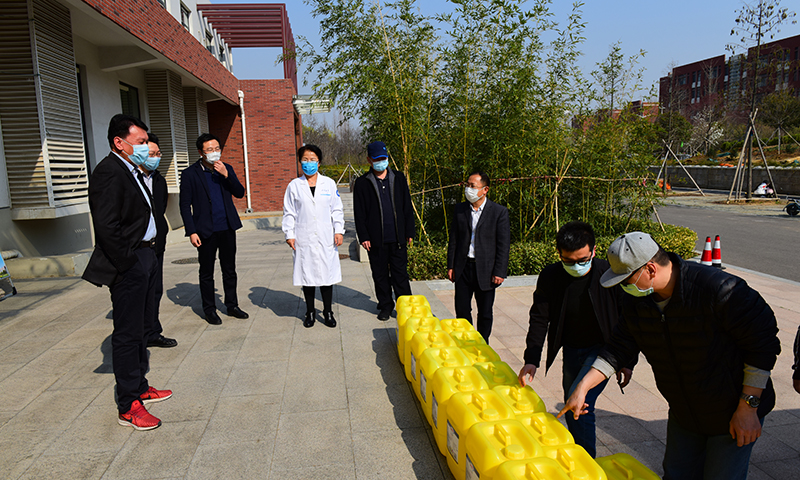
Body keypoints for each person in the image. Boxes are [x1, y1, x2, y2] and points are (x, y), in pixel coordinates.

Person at [559, 231, 781, 480]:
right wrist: (582, 387)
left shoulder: (720, 290)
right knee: (676, 474)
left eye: (626, 280)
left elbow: (762, 345)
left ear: (650, 269)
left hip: (731, 410)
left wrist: (748, 408)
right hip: (684, 411)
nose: (624, 287)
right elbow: (618, 347)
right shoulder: (637, 302)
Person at [82, 114, 172, 430]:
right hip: (130, 262)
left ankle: (140, 386)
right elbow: (107, 226)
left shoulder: (132, 170)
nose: (146, 146)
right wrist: (129, 264)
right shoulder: (109, 172)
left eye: (146, 141)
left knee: (142, 328)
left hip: (147, 255)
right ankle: (128, 404)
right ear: (119, 143)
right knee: (127, 333)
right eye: (140, 142)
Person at [517, 221, 632, 458]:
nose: (576, 266)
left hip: (603, 349)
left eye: (582, 260)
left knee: (580, 401)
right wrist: (531, 359)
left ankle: (586, 461)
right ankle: (579, 456)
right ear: (559, 254)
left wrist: (627, 360)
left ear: (594, 251)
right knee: (571, 403)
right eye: (568, 261)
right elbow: (539, 317)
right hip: (571, 348)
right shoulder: (551, 276)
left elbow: (628, 320)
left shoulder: (608, 275)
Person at [179, 133, 248, 325]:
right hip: (204, 230)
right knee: (206, 271)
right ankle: (209, 309)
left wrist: (226, 175)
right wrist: (191, 231)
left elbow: (239, 192)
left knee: (229, 269)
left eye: (217, 148)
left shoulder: (226, 168)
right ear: (201, 152)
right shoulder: (190, 174)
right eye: (209, 149)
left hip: (227, 227)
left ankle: (232, 305)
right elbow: (184, 205)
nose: (214, 152)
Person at [282, 145, 345, 328]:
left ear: (319, 162)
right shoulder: (294, 186)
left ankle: (328, 312)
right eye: (305, 160)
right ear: (300, 162)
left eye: (313, 160)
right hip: (304, 237)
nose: (309, 163)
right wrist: (289, 234)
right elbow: (289, 212)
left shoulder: (329, 184)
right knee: (307, 277)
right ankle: (310, 312)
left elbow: (337, 209)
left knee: (326, 276)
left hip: (326, 237)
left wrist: (338, 230)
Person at [353, 141, 415, 320]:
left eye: (384, 158)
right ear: (369, 160)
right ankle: (386, 306)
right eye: (377, 159)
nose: (381, 162)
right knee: (380, 275)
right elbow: (359, 213)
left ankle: (405, 307)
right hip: (376, 239)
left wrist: (409, 231)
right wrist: (364, 236)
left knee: (400, 275)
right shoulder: (362, 183)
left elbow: (407, 206)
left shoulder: (399, 178)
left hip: (398, 237)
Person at [446, 171, 510, 342]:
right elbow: (454, 239)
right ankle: (466, 340)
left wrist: (499, 271)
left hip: (486, 269)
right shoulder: (460, 209)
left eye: (472, 186)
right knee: (462, 309)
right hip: (463, 267)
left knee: (485, 312)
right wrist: (450, 265)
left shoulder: (499, 212)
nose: (468, 189)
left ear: (485, 189)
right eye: (467, 185)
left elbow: (503, 245)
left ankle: (482, 343)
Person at [140, 133, 177, 348]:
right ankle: (140, 334)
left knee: (155, 289)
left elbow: (160, 208)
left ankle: (153, 331)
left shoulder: (159, 180)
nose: (155, 158)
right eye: (150, 154)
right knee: (140, 291)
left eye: (157, 153)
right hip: (138, 246)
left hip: (156, 243)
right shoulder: (133, 179)